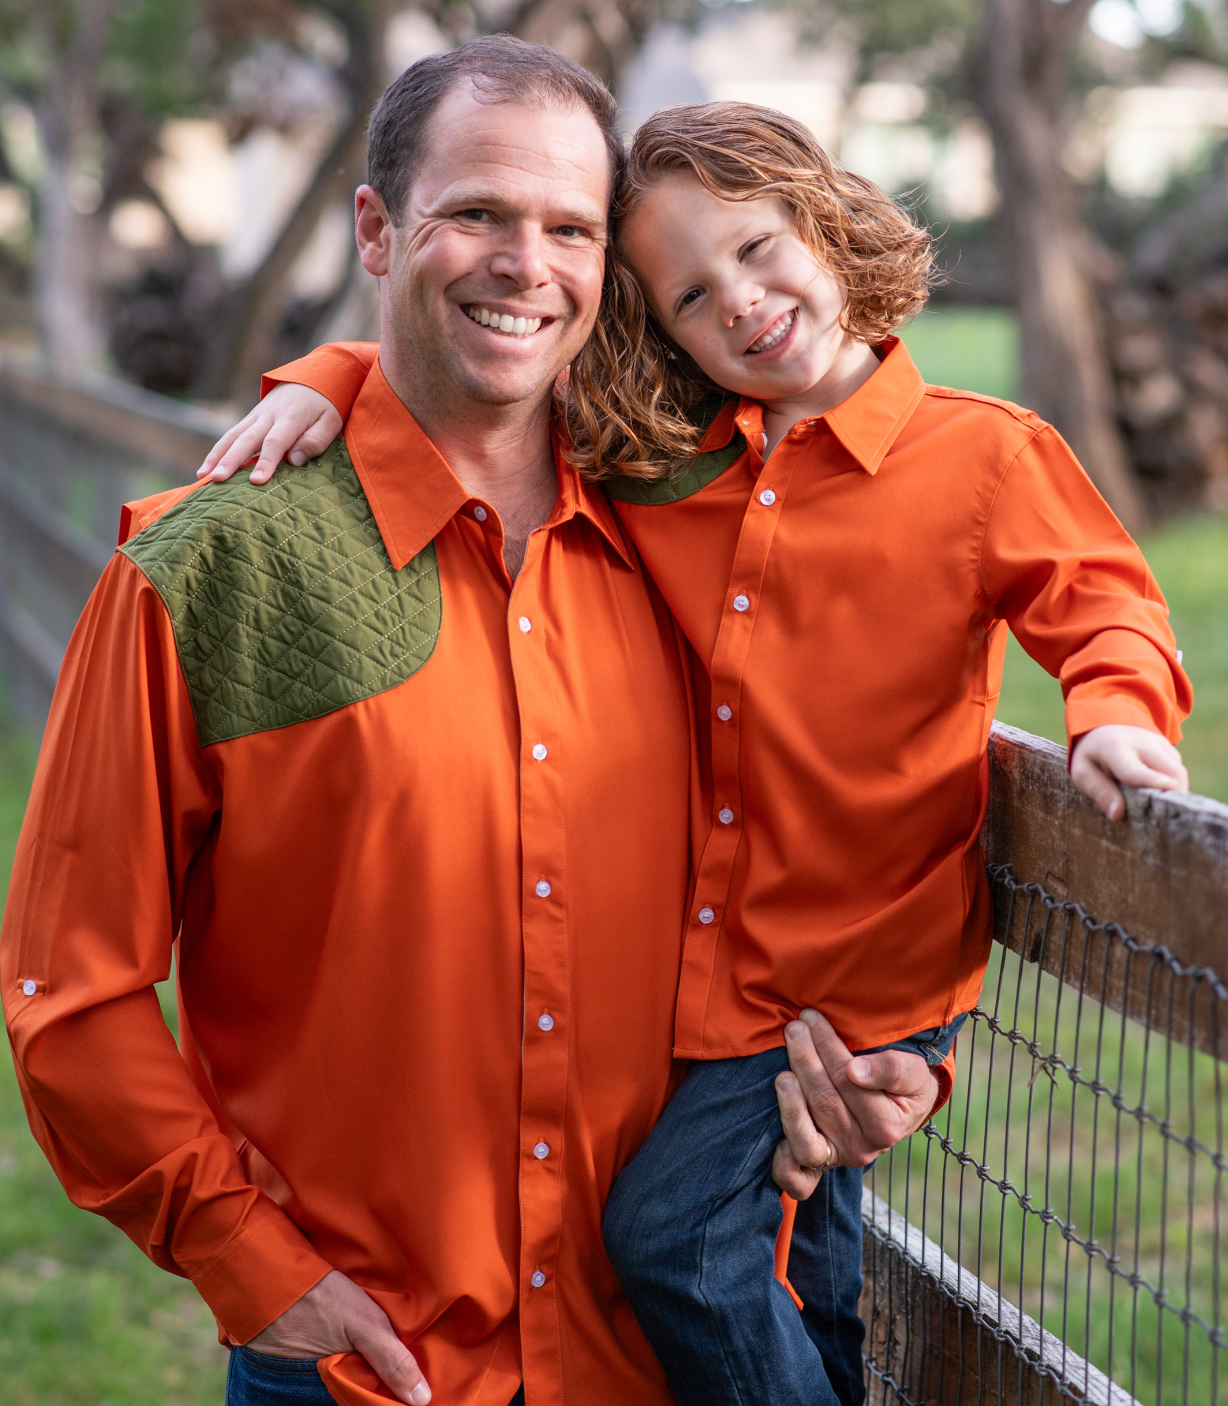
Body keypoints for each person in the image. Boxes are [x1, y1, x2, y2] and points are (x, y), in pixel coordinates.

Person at [217, 103, 1192, 1406]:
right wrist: (331, 377)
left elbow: (1104, 598)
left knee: (673, 1238)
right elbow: (472, 371)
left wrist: (1115, 709)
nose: (740, 301)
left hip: (859, 967)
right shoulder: (674, 469)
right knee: (819, 1271)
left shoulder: (982, 455)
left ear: (826, 221)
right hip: (722, 963)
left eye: (757, 247)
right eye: (689, 292)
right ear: (658, 324)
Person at [1, 49, 929, 1406]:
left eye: (571, 229)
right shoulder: (210, 573)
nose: (527, 264)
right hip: (371, 1371)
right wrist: (253, 1265)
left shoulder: (713, 535)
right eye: (478, 215)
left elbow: (875, 796)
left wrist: (887, 1060)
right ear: (376, 228)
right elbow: (67, 997)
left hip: (680, 1356)